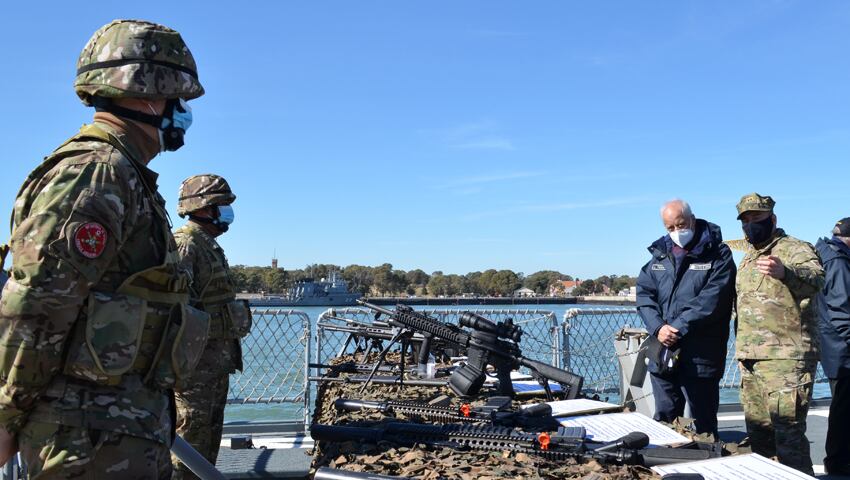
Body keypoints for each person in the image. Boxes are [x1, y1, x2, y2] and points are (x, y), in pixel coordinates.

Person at [0, 19, 208, 478]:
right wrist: (5, 415)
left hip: (117, 431)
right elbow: (36, 305)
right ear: (149, 94)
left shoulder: (126, 174)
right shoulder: (95, 174)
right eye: (178, 101)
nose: (182, 114)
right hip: (87, 438)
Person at [735, 192, 823, 475]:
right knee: (759, 438)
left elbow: (816, 280)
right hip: (750, 358)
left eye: (756, 218)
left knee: (789, 439)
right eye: (745, 220)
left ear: (772, 219)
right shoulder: (747, 258)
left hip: (786, 359)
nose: (751, 224)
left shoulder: (794, 248)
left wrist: (786, 272)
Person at [172, 175, 252, 478]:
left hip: (212, 365)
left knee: (206, 440)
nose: (228, 212)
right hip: (194, 369)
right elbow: (175, 308)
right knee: (190, 439)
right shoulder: (186, 244)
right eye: (222, 205)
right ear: (204, 208)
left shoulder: (207, 245)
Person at [636, 199, 736, 438]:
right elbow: (644, 294)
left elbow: (713, 299)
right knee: (665, 419)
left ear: (692, 219)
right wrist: (658, 327)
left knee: (703, 423)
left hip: (701, 353)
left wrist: (678, 327)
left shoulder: (718, 253)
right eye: (670, 228)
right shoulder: (660, 255)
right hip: (664, 350)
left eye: (680, 225)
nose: (676, 232)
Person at [815, 218, 850, 476]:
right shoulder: (838, 262)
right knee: (843, 409)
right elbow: (843, 310)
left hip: (833, 346)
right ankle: (838, 462)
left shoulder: (826, 255)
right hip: (843, 349)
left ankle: (838, 460)